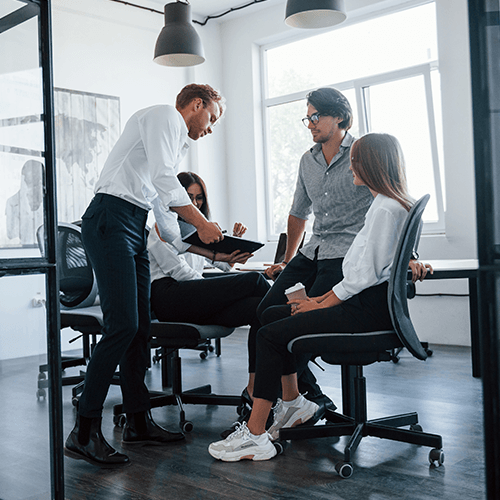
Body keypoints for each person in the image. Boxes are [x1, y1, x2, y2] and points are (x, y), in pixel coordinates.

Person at [208, 133, 433, 462]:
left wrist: (319, 303)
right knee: (271, 314)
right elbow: (361, 272)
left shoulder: (384, 210)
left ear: (369, 164)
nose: (350, 166)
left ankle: (256, 434)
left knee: (271, 334)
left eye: (355, 160)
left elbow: (361, 277)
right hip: (366, 305)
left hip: (365, 313)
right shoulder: (391, 205)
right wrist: (316, 301)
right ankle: (295, 402)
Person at [64, 84, 226, 468]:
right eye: (212, 118)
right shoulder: (164, 116)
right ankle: (84, 431)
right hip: (110, 218)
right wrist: (202, 222)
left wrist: (210, 249)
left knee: (139, 327)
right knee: (121, 325)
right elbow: (165, 181)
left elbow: (165, 216)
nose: (210, 128)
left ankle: (138, 421)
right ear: (196, 105)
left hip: (133, 223)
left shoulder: (170, 141)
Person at [256, 87, 373, 413]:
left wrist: (410, 253)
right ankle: (300, 396)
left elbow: (392, 200)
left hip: (345, 253)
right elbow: (298, 213)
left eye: (316, 116)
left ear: (339, 116)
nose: (310, 123)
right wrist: (287, 260)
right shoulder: (307, 160)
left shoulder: (361, 152)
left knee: (296, 321)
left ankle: (304, 399)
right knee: (266, 312)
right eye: (307, 118)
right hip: (312, 251)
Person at [148, 172, 271, 404]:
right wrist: (214, 291)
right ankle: (297, 329)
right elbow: (180, 273)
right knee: (254, 281)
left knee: (260, 309)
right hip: (168, 298)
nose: (194, 204)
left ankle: (255, 389)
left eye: (199, 199)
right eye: (188, 198)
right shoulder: (161, 228)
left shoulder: (198, 231)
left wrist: (234, 248)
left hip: (193, 297)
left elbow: (222, 266)